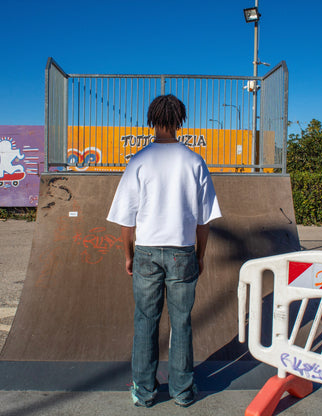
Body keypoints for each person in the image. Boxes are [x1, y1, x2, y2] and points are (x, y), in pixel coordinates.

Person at [107, 94, 221, 408]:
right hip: (182, 251)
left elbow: (126, 219)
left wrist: (128, 255)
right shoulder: (194, 161)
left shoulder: (139, 161)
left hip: (145, 251)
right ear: (180, 120)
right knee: (181, 322)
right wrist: (199, 255)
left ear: (152, 120)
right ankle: (182, 392)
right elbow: (204, 219)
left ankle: (144, 392)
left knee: (145, 320)